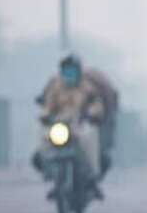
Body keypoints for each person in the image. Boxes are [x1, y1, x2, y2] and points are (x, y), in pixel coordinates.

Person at [35, 54, 107, 196]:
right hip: (59, 125)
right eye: (66, 71)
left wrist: (93, 113)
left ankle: (93, 173)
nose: (70, 74)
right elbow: (48, 106)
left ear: (78, 71)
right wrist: (45, 115)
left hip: (79, 123)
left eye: (72, 71)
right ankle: (49, 171)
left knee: (90, 136)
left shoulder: (87, 87)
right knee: (42, 138)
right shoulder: (55, 87)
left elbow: (96, 103)